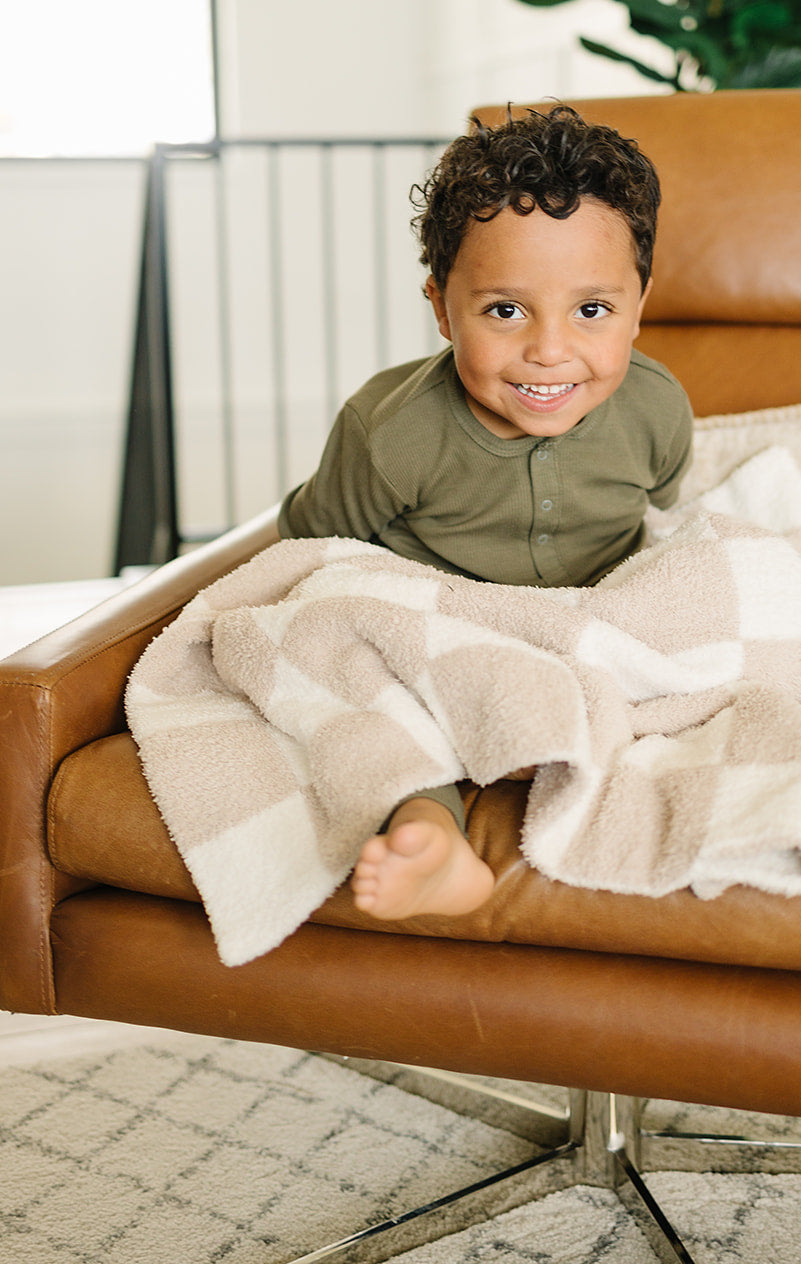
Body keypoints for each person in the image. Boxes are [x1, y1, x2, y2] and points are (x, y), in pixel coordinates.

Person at [278, 104, 693, 922]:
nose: (549, 350)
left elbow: (674, 533)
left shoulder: (656, 410)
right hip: (435, 633)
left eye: (591, 310)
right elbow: (312, 554)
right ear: (442, 308)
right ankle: (429, 830)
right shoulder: (390, 431)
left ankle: (617, 786)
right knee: (364, 691)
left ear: (639, 304)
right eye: (505, 310)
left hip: (585, 635)